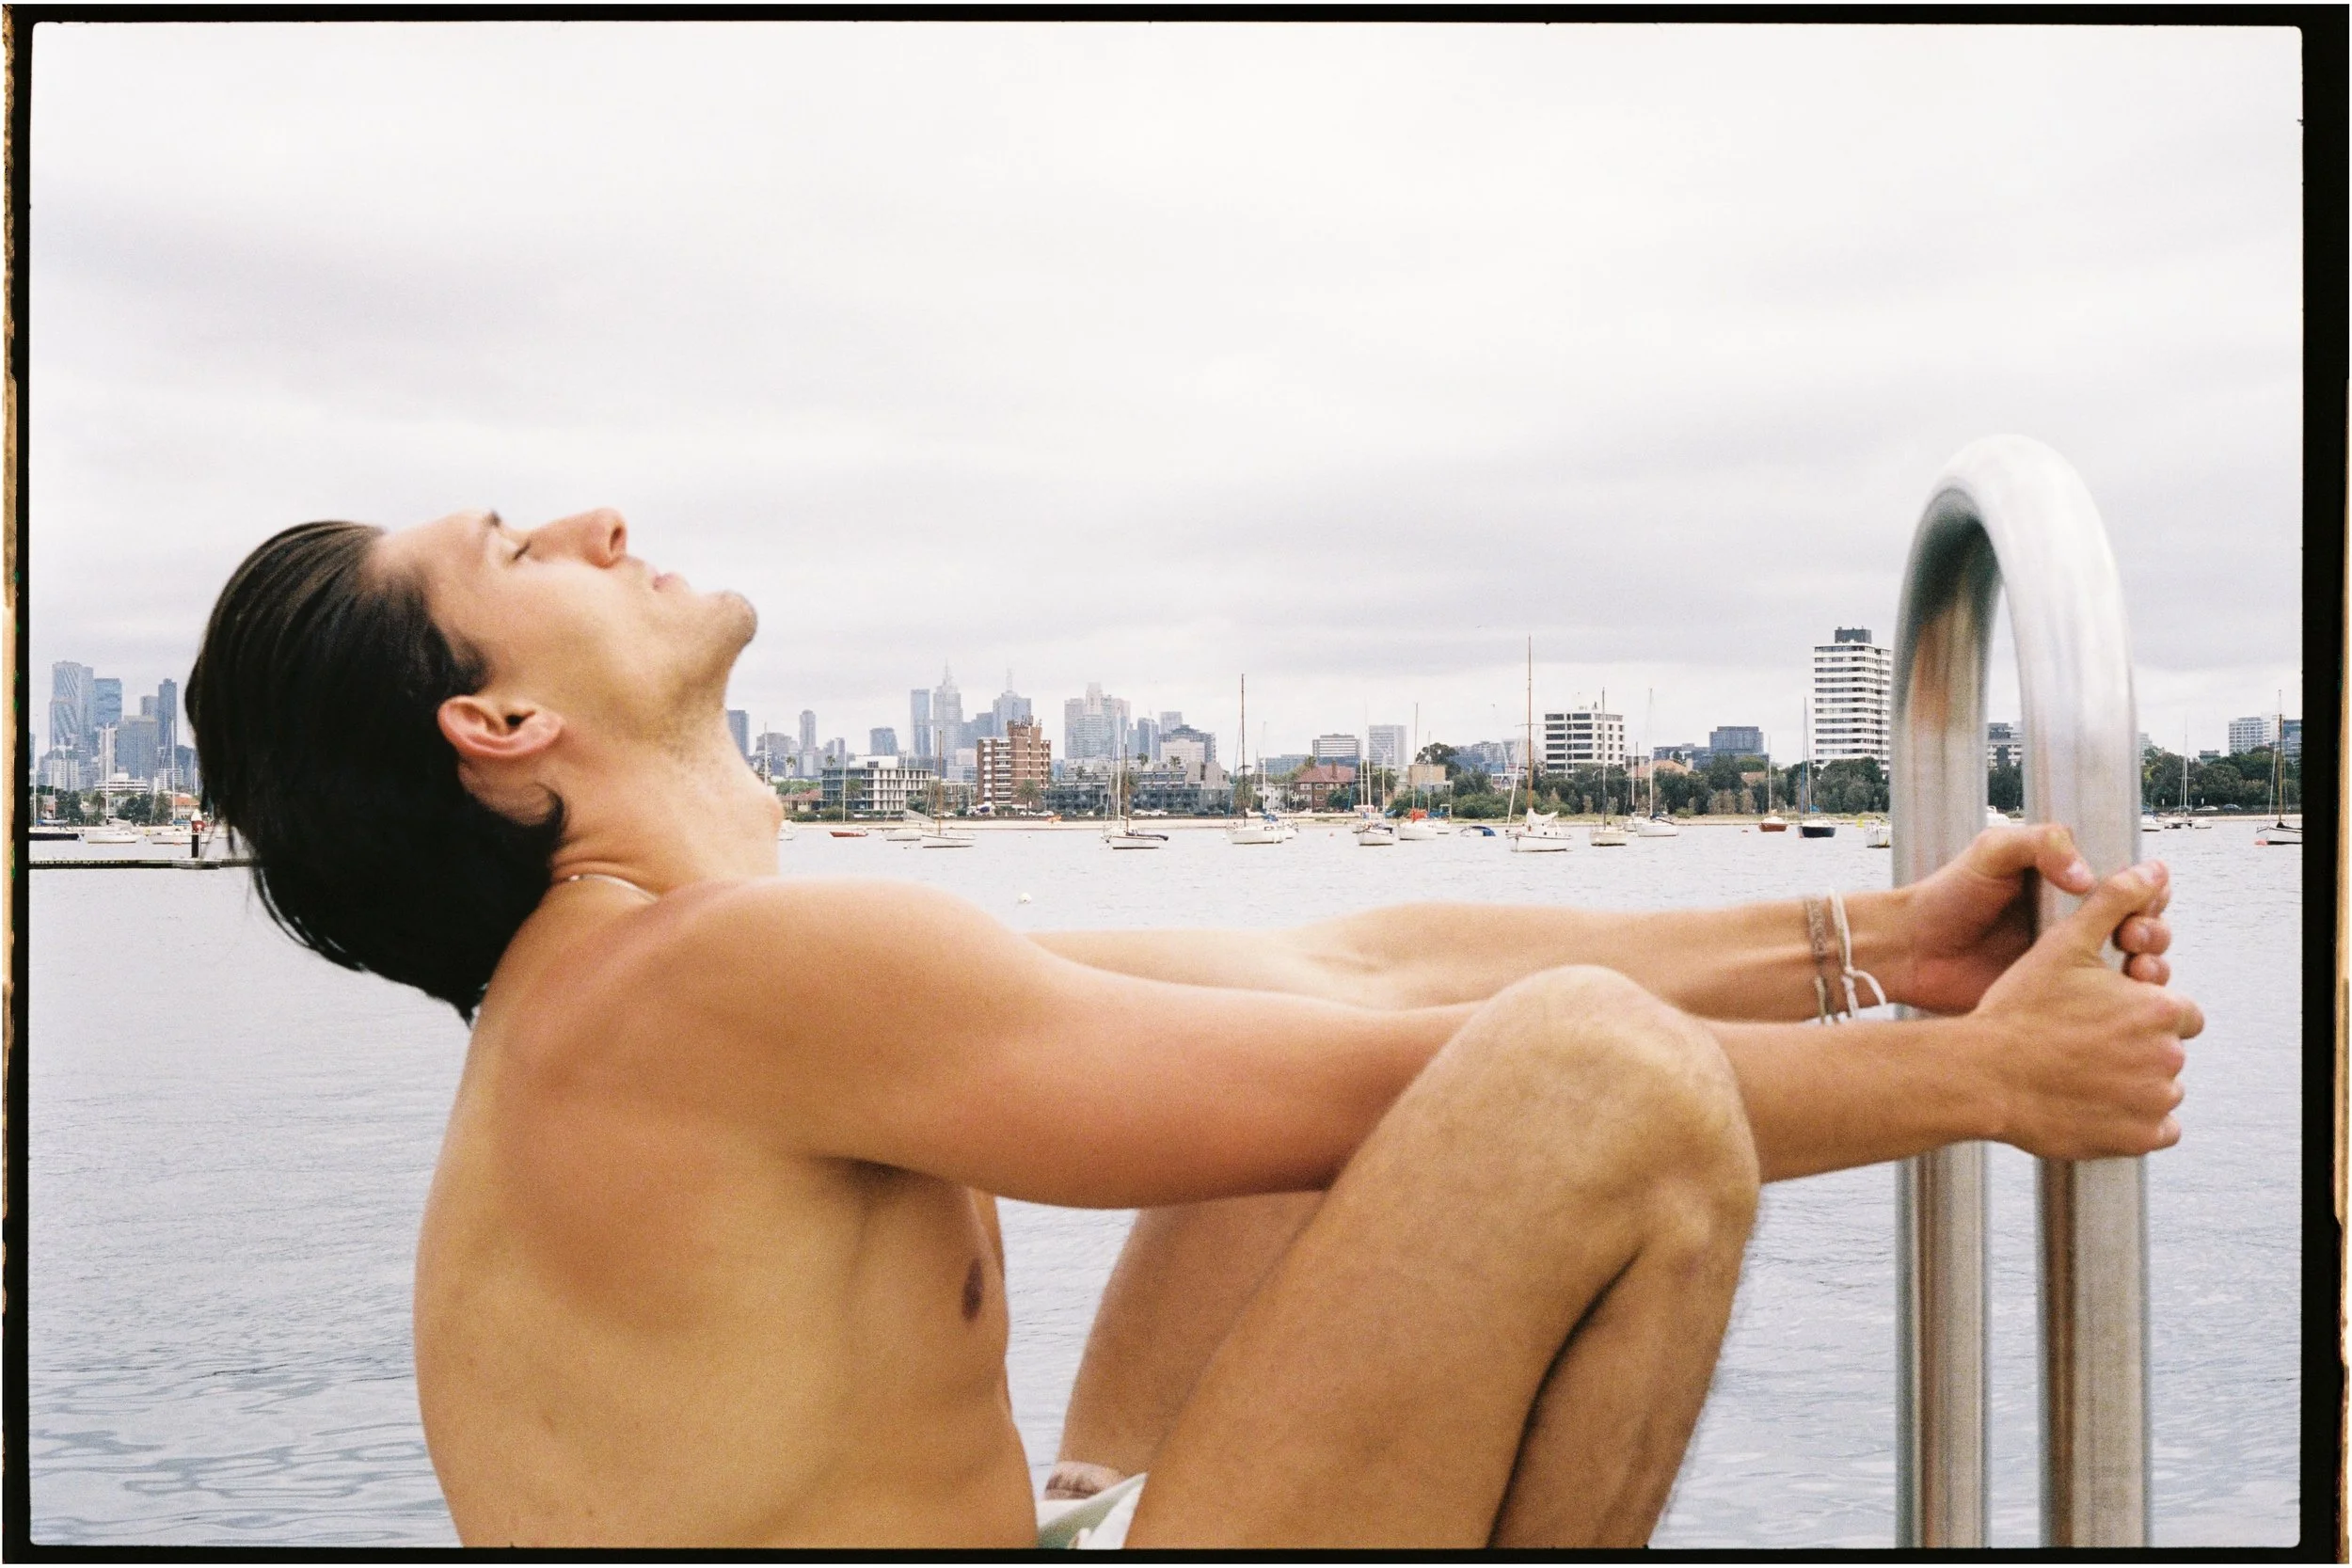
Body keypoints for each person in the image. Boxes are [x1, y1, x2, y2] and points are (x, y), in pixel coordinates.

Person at [185, 508, 2198, 1549]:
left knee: (1276, 1154)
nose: (603, 519)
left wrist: (1869, 946)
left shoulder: (666, 981)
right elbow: (1487, 1082)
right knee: (1588, 1074)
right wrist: (1989, 1078)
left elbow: (1340, 976)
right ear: (501, 725)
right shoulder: (684, 989)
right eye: (525, 550)